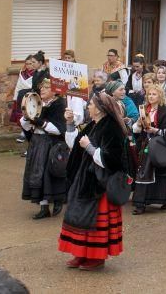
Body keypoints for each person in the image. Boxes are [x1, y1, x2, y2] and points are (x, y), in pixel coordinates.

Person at [58, 91, 129, 270]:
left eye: (90, 104)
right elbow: (74, 144)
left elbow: (111, 160)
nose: (88, 107)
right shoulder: (93, 125)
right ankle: (81, 253)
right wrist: (69, 123)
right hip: (85, 179)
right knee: (80, 217)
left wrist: (89, 147)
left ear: (99, 108)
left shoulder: (112, 128)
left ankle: (96, 257)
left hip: (100, 183)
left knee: (95, 221)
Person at [21, 78, 67, 219]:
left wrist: (39, 121)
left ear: (55, 91)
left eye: (46, 88)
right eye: (42, 88)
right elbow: (27, 126)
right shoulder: (37, 103)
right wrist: (26, 118)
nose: (42, 90)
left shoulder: (59, 104)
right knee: (37, 174)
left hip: (51, 144)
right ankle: (44, 207)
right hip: (37, 142)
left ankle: (57, 200)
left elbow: (59, 130)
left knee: (49, 173)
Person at [131, 85, 166, 215]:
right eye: (149, 94)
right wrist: (139, 124)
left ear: (160, 96)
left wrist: (155, 130)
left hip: (161, 146)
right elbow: (136, 130)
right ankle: (140, 204)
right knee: (143, 172)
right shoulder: (144, 109)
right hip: (146, 146)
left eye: (154, 94)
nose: (151, 96)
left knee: (161, 172)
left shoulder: (165, 111)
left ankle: (165, 199)